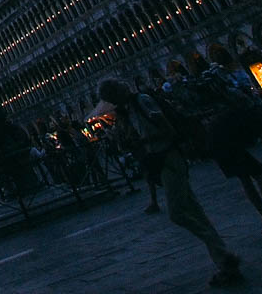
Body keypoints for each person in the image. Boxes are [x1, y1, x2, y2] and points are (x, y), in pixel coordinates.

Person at [99, 78, 244, 287]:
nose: (112, 103)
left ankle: (225, 255)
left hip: (170, 158)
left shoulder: (143, 102)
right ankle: (225, 261)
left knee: (177, 214)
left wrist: (144, 142)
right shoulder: (130, 110)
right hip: (164, 160)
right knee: (195, 212)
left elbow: (168, 130)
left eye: (111, 98)